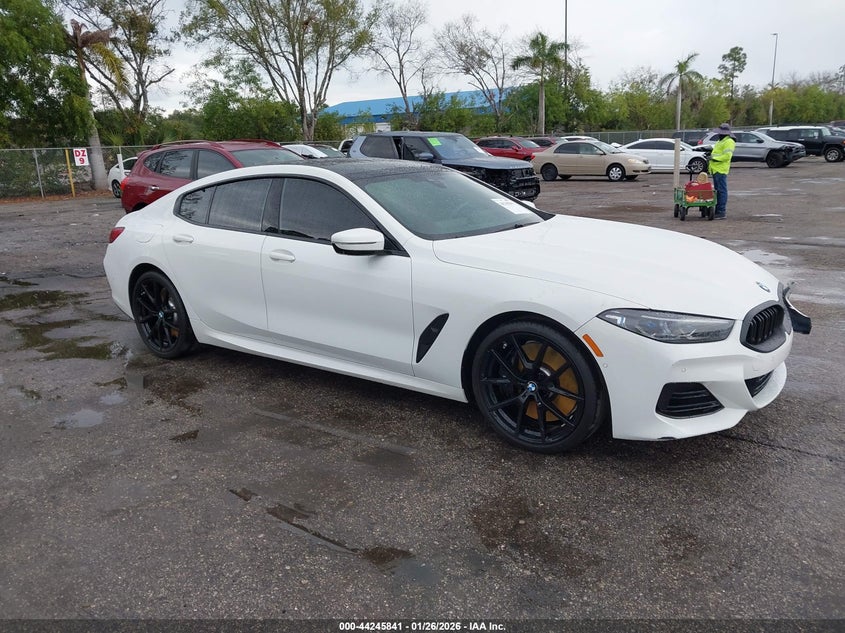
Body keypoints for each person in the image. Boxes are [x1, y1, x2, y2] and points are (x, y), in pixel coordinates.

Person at [708, 123, 736, 219]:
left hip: (721, 169)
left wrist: (714, 158)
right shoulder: (721, 141)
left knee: (721, 191)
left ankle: (721, 211)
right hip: (716, 169)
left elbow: (727, 156)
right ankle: (718, 210)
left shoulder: (729, 142)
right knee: (718, 191)